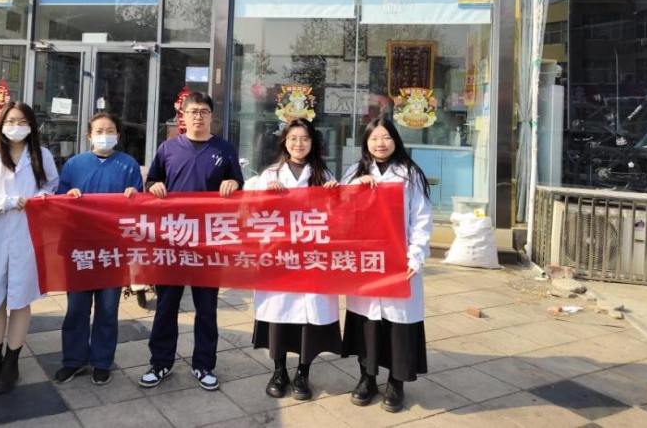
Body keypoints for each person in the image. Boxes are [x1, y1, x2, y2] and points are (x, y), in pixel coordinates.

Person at [140, 92, 244, 392]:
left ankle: (204, 364)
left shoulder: (224, 149)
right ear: (182, 116)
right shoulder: (168, 148)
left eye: (204, 111)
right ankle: (160, 362)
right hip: (173, 240)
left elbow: (238, 184)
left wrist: (234, 183)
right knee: (166, 306)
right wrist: (154, 186)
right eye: (193, 111)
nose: (198, 116)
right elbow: (152, 181)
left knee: (207, 308)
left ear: (211, 116)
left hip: (209, 242)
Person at [0, 101, 59, 395]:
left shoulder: (42, 156)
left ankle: (11, 363)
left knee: (20, 298)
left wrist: (42, 197)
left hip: (26, 237)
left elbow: (51, 186)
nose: (16, 127)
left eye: (22, 122)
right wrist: (7, 202)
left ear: (32, 126)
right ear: (0, 124)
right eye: (11, 121)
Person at [340, 115, 433, 413]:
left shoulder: (410, 174)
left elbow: (421, 217)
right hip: (366, 262)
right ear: (366, 142)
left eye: (386, 137)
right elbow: (337, 208)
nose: (380, 144)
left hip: (398, 260)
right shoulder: (355, 171)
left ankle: (396, 382)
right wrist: (355, 187)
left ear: (396, 140)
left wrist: (416, 255)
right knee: (367, 322)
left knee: (398, 325)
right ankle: (366, 378)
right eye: (374, 138)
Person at [250, 118, 341, 401]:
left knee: (307, 321)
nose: (298, 144)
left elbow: (337, 219)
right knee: (278, 317)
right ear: (284, 142)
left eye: (304, 138)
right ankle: (279, 371)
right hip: (279, 259)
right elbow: (252, 214)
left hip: (312, 259)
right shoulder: (269, 175)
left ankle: (303, 372)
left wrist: (335, 196)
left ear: (312, 142)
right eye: (293, 138)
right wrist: (266, 196)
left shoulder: (324, 174)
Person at [54, 112, 143, 386]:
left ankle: (102, 362)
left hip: (112, 249)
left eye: (110, 130)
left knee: (108, 308)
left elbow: (139, 206)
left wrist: (134, 197)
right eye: (100, 131)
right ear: (89, 136)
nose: (105, 135)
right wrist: (68, 197)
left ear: (118, 135)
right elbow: (58, 201)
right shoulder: (74, 164)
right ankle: (73, 360)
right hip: (79, 247)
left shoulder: (128, 165)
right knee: (77, 308)